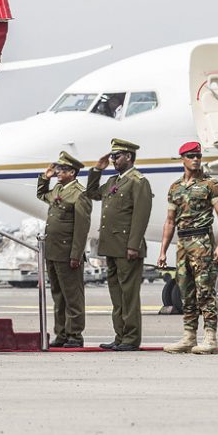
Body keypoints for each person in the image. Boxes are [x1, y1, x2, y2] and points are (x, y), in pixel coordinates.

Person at [157, 142, 218, 355]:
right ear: (183, 159)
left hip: (202, 241)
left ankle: (210, 337)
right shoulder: (175, 187)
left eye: (198, 155)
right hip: (182, 243)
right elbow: (170, 221)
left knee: (204, 290)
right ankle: (189, 336)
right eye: (191, 156)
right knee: (185, 290)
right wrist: (162, 251)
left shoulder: (210, 184)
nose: (195, 159)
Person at [86, 138, 152, 352]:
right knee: (116, 295)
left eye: (117, 156)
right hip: (112, 246)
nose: (113, 160)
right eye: (112, 156)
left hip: (127, 247)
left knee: (129, 295)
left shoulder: (138, 181)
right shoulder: (113, 180)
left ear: (129, 157)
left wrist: (133, 245)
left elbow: (141, 216)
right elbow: (92, 194)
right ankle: (120, 335)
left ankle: (131, 339)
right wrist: (97, 170)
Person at [36, 151, 92, 348]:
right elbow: (42, 194)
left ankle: (75, 335)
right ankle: (61, 333)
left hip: (68, 253)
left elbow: (81, 228)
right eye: (58, 168)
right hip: (53, 252)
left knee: (72, 296)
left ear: (73, 172)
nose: (58, 172)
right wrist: (45, 177)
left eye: (62, 169)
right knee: (58, 295)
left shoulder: (79, 193)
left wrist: (76, 254)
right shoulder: (58, 189)